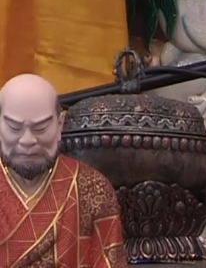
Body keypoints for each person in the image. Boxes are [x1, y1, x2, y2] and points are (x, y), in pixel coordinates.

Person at [0, 73, 127, 267]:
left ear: (59, 125)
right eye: (14, 128)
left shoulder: (93, 188)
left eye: (41, 128)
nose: (27, 140)